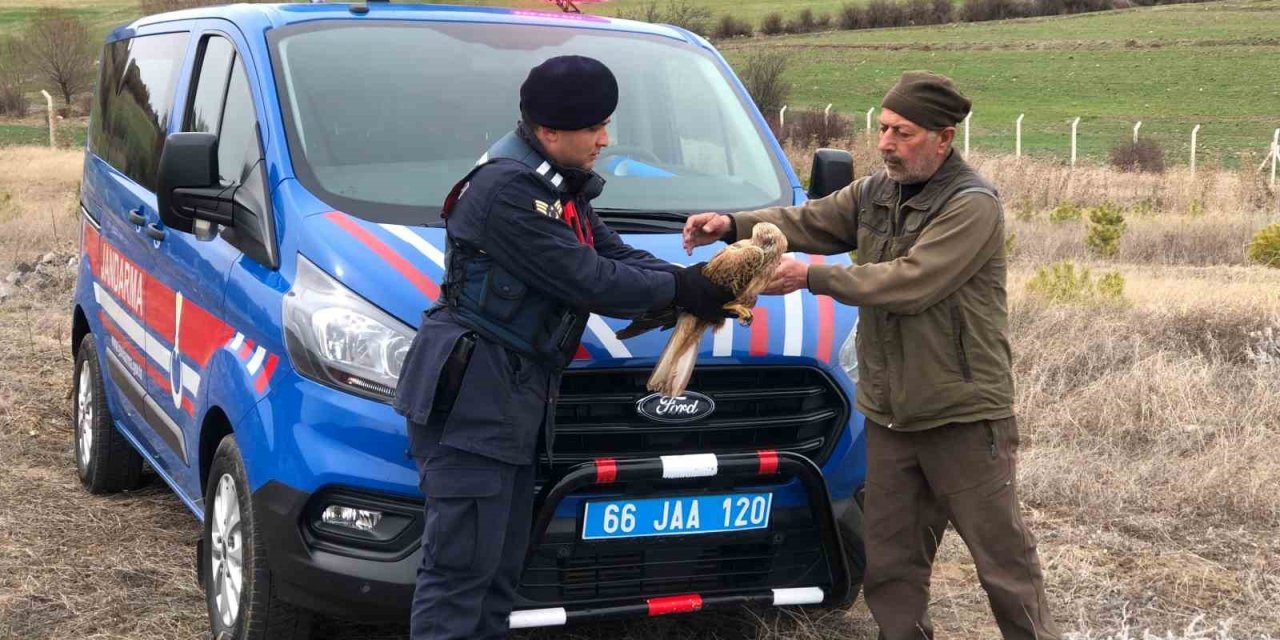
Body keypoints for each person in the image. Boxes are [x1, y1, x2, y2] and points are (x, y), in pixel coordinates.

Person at [682, 71, 1060, 640]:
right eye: (882, 128)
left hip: (961, 413)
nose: (885, 143)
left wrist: (813, 278)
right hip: (888, 411)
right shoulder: (872, 192)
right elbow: (809, 219)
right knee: (890, 563)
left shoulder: (972, 205)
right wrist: (729, 223)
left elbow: (913, 281)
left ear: (943, 137)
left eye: (902, 133)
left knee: (1001, 562)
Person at [393, 55, 733, 640]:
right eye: (595, 128)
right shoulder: (507, 190)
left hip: (511, 400)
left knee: (498, 575)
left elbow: (613, 254)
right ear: (550, 131)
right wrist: (685, 289)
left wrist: (701, 283)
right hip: (475, 403)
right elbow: (589, 279)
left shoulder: (554, 185)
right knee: (459, 578)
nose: (606, 139)